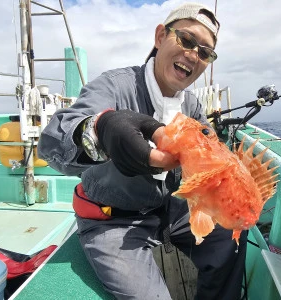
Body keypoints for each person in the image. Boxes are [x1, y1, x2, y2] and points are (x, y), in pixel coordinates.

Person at [38, 2, 247, 299]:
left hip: (175, 210)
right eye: (186, 40)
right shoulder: (112, 86)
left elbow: (210, 149)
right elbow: (51, 143)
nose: (193, 54)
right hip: (115, 219)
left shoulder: (192, 105)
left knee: (232, 230)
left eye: (205, 52)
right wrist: (103, 130)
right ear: (160, 37)